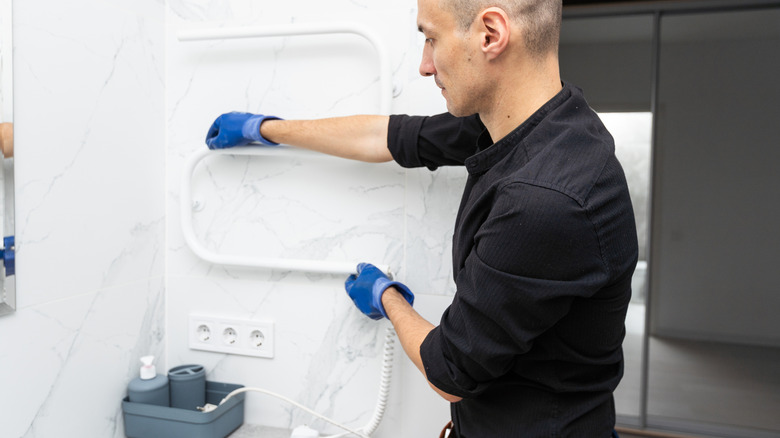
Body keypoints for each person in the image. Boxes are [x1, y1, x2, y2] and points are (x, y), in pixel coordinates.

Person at [204, 0, 638, 436]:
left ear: (490, 34)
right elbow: (387, 137)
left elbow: (449, 370)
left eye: (431, 38)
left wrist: (387, 297)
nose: (424, 65)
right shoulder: (539, 122)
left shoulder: (546, 200)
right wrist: (265, 129)